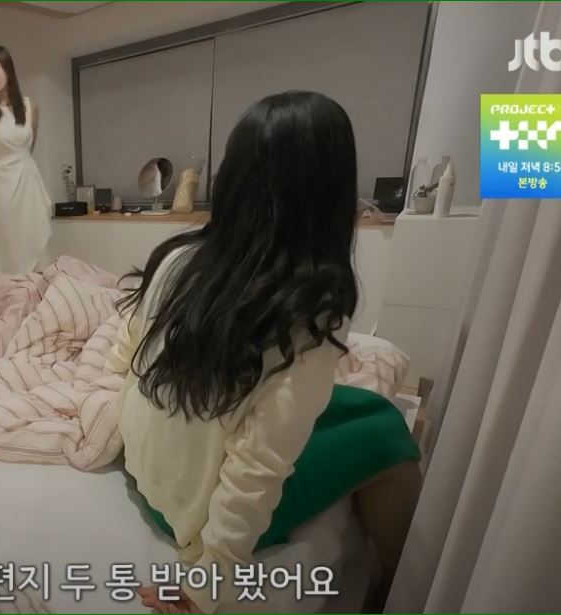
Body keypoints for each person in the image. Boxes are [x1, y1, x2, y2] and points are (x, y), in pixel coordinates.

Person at [108, 91, 421, 613]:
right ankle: (403, 595)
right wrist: (207, 583)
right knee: (389, 435)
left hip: (148, 467)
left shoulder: (179, 257)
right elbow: (258, 465)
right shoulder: (309, 309)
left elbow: (125, 354)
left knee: (361, 408)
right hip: (195, 507)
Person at [0, 46, 52, 274]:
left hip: (29, 184)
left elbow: (28, 148)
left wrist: (19, 166)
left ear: (7, 69)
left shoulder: (30, 107)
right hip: (2, 188)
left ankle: (36, 292)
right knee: (8, 251)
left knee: (35, 245)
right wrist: (4, 174)